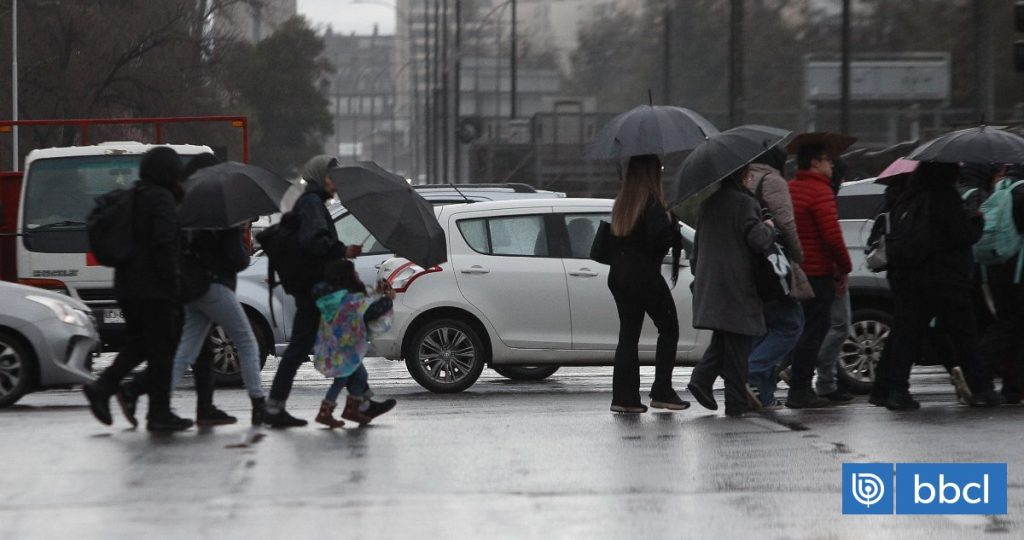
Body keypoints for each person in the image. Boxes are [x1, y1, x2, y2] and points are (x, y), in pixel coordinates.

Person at [82, 147, 192, 432]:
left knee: (143, 344)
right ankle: (158, 413)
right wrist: (175, 286)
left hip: (128, 286)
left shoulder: (132, 195)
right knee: (163, 351)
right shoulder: (162, 199)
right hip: (156, 289)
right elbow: (164, 245)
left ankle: (105, 388)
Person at [870, 162, 983, 410]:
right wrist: (976, 222)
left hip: (911, 278)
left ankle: (895, 391)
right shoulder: (945, 197)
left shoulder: (906, 198)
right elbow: (961, 234)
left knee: (905, 336)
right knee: (964, 334)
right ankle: (981, 389)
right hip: (946, 279)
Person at [264, 155, 361, 427]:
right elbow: (314, 242)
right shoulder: (312, 203)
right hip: (313, 288)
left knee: (337, 340)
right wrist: (342, 250)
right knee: (311, 346)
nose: (335, 184)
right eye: (331, 178)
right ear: (319, 177)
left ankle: (361, 398)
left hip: (312, 287)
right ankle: (274, 408)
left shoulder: (311, 202)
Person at [687, 166, 776, 417]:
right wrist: (769, 225)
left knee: (726, 337)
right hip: (737, 284)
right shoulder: (746, 204)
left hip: (712, 282)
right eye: (749, 175)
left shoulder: (708, 204)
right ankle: (735, 401)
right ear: (743, 177)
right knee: (738, 343)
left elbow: (698, 247)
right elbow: (757, 240)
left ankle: (702, 380)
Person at [606, 154, 687, 413]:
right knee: (669, 328)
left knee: (628, 336)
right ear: (652, 174)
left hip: (620, 276)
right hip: (644, 277)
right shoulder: (652, 204)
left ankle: (624, 398)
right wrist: (671, 225)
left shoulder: (623, 203)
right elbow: (658, 241)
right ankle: (662, 390)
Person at [785, 143, 852, 408]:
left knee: (803, 329)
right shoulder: (820, 191)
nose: (831, 166)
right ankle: (800, 389)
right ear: (815, 162)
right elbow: (832, 236)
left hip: (797, 271)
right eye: (828, 160)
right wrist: (844, 267)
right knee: (815, 331)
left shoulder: (791, 188)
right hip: (819, 272)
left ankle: (799, 384)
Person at [745, 146, 806, 408]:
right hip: (773, 262)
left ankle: (764, 394)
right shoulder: (773, 181)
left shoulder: (746, 179)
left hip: (751, 264)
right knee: (791, 323)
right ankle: (751, 373)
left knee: (765, 327)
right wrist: (797, 253)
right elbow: (786, 222)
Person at [311, 259, 397, 428]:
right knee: (343, 378)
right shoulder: (349, 300)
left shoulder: (336, 298)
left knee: (358, 376)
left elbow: (363, 303)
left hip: (335, 347)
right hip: (345, 350)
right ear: (347, 277)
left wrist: (378, 294)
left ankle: (355, 408)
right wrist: (387, 299)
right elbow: (369, 312)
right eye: (354, 272)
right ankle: (329, 411)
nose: (357, 274)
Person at [972, 164, 1024, 406]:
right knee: (1008, 327)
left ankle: (1012, 388)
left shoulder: (999, 188)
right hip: (1017, 270)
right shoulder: (1021, 192)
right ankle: (980, 376)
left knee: (1010, 326)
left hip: (995, 267)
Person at [811, 156, 856, 403]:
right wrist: (844, 268)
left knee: (812, 325)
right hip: (826, 269)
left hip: (811, 268)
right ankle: (823, 379)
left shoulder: (802, 190)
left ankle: (818, 377)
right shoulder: (824, 195)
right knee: (839, 325)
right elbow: (831, 236)